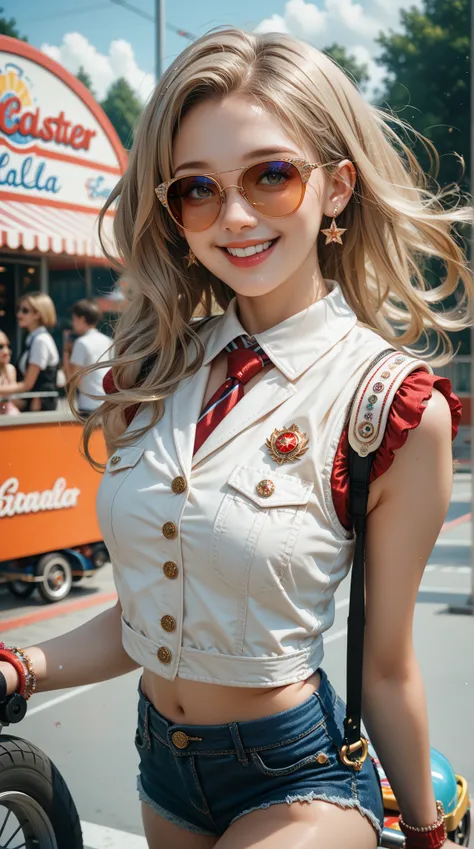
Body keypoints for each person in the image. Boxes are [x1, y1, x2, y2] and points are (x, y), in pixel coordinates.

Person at [0, 29, 469, 849]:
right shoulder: (149, 373)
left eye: (272, 175)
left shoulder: (389, 405)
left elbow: (387, 667)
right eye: (198, 190)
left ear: (336, 188)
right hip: (166, 773)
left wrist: (427, 835)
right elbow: (147, 615)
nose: (237, 216)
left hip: (303, 782)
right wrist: (26, 664)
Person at [0, 292, 59, 412]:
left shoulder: (40, 341)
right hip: (31, 404)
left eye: (25, 311)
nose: (19, 314)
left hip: (40, 408)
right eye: (19, 310)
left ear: (38, 314)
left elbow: (27, 384)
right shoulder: (32, 339)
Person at [62, 299, 112, 416]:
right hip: (108, 402)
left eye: (74, 319)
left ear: (82, 319)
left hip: (89, 404)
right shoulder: (109, 341)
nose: (72, 323)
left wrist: (65, 352)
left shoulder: (81, 343)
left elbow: (73, 378)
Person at [0, 331, 20, 415]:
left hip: (9, 416)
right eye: (0, 347)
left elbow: (13, 400)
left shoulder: (10, 369)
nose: (6, 351)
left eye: (8, 346)